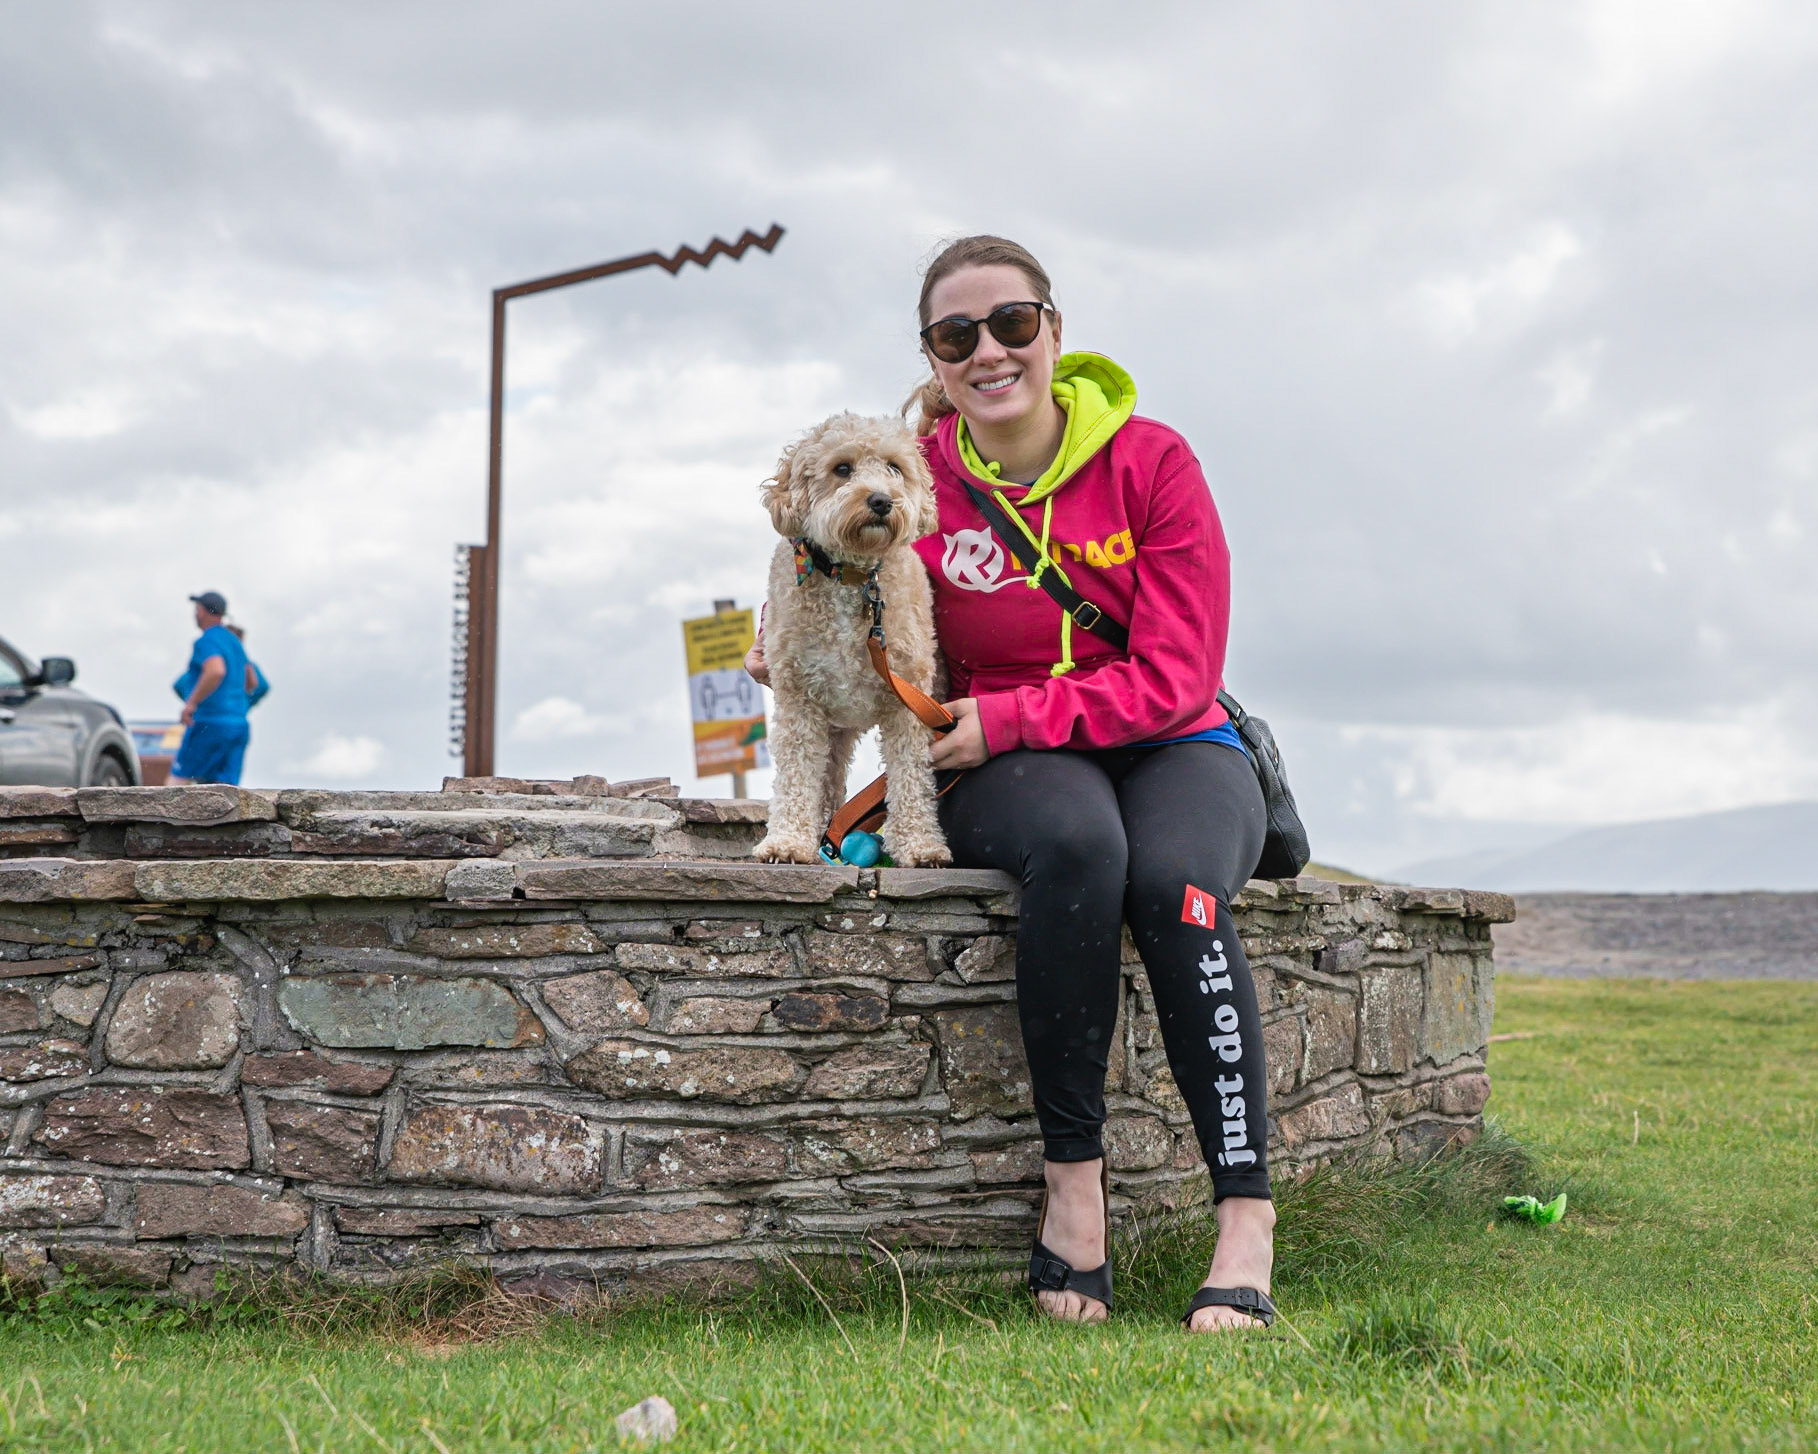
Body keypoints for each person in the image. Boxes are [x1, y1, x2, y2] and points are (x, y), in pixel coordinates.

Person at [747, 236, 1276, 1333]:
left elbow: (1178, 676)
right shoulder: (915, 475)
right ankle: (1074, 1192)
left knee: (1176, 884)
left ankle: (1245, 1214)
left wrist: (1015, 716)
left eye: (1012, 323)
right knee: (1081, 851)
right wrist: (788, 631)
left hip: (1170, 738)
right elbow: (842, 570)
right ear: (933, 358)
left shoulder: (1153, 462)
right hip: (1006, 759)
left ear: (1053, 331)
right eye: (957, 335)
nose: (988, 350)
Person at [169, 591, 260, 785]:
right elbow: (252, 682)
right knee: (225, 790)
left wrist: (191, 704)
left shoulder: (207, 640)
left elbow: (216, 671)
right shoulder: (235, 641)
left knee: (177, 782)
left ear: (201, 611)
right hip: (238, 725)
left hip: (209, 723)